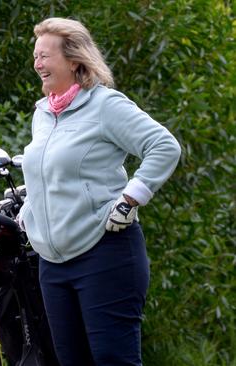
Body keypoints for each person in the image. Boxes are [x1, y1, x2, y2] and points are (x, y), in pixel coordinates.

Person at [17, 17, 181, 365]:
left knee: (113, 360)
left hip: (105, 255)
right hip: (52, 264)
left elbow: (164, 145)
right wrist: (29, 208)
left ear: (74, 60)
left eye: (45, 56)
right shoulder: (43, 113)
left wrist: (131, 198)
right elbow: (52, 171)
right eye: (35, 56)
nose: (37, 64)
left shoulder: (105, 105)